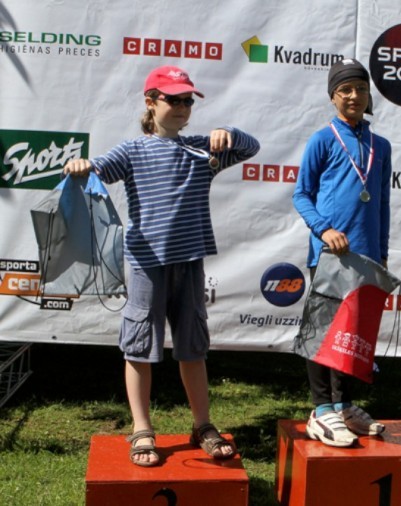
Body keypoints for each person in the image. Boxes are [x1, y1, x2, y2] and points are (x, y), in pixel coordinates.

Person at [63, 65, 260, 466]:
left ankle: (203, 425)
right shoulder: (133, 150)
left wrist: (229, 133)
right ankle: (141, 429)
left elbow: (250, 148)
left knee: (193, 348)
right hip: (146, 264)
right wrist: (81, 167)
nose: (183, 106)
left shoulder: (202, 149)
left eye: (188, 100)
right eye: (174, 99)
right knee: (138, 348)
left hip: (189, 263)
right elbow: (98, 167)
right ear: (151, 102)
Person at [292, 58, 392, 447]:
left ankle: (344, 405)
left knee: (352, 336)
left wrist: (382, 252)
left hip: (366, 257)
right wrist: (325, 229)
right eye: (345, 89)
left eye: (360, 89)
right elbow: (301, 194)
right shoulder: (323, 139)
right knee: (323, 333)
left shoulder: (381, 146)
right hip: (330, 254)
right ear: (333, 96)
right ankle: (321, 409)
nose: (354, 96)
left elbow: (381, 203)